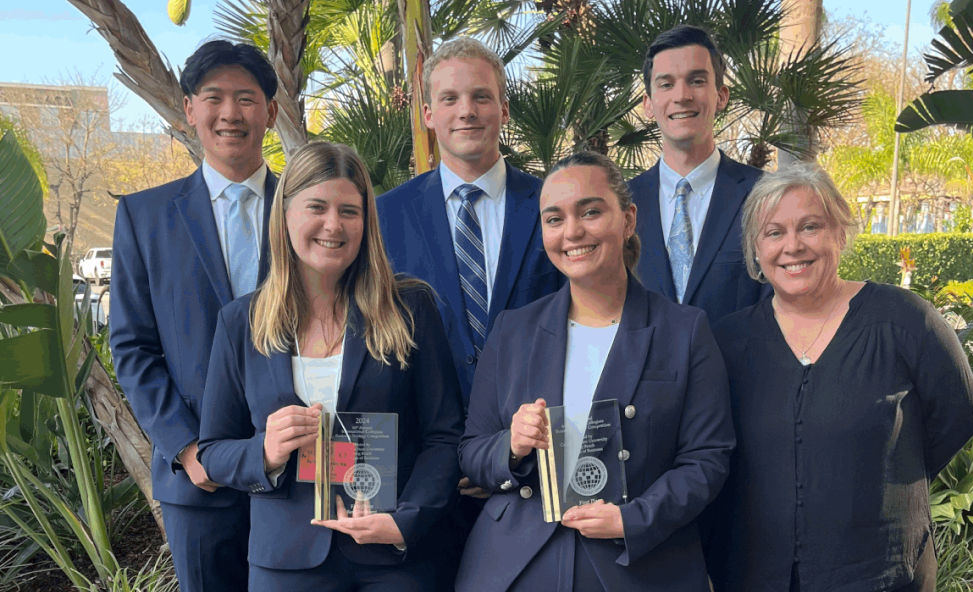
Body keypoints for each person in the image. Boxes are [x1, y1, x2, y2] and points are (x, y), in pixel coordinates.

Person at [457, 151, 735, 592]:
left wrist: (632, 519)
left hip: (636, 565)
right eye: (554, 218)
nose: (572, 232)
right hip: (515, 565)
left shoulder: (685, 330)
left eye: (590, 211)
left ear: (627, 219)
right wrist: (510, 445)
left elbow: (707, 459)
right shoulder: (513, 330)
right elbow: (472, 450)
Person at [197, 142, 464, 591]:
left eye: (349, 211)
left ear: (366, 222)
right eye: (316, 207)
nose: (333, 225)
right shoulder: (241, 322)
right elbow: (213, 450)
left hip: (394, 561)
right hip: (288, 561)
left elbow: (444, 434)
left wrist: (406, 520)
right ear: (285, 216)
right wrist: (265, 450)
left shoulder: (410, 307)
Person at [711, 163, 973, 592]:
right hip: (755, 573)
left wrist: (880, 470)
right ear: (756, 249)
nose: (793, 246)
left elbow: (959, 416)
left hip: (881, 572)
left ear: (839, 232)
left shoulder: (907, 321)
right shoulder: (728, 341)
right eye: (774, 232)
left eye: (810, 226)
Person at [376, 36, 564, 584]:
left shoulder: (554, 207)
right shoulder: (386, 216)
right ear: (428, 113)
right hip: (420, 479)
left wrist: (504, 450)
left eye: (482, 96)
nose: (467, 111)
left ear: (503, 109)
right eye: (451, 98)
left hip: (533, 468)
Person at [110, 39, 280, 592]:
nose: (230, 113)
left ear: (271, 113)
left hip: (304, 476)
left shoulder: (313, 212)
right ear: (189, 108)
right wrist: (186, 450)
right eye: (214, 97)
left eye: (246, 98)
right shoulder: (144, 217)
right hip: (199, 483)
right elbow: (132, 347)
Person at [629, 24, 770, 330]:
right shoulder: (620, 203)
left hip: (738, 376)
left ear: (721, 96)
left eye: (696, 81)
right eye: (666, 84)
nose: (681, 96)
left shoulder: (766, 194)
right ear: (648, 105)